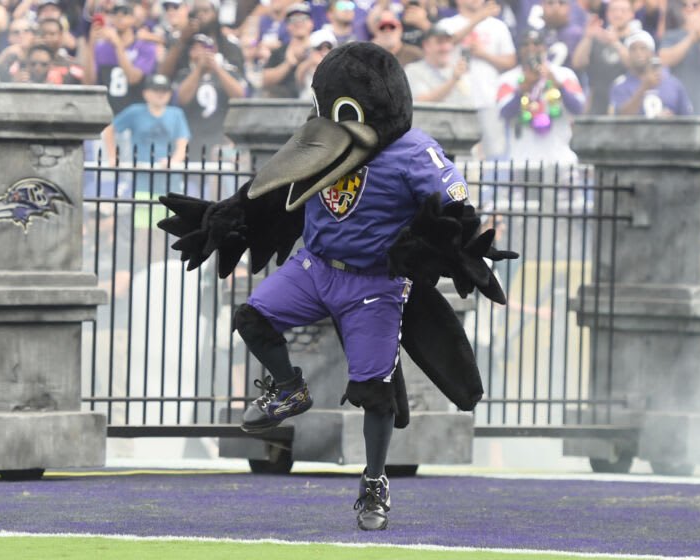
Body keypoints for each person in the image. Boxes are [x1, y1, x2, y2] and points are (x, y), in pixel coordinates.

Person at [160, 41, 514, 532]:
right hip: (316, 266)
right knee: (252, 317)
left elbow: (456, 207)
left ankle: (374, 481)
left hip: (375, 284)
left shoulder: (415, 151)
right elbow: (274, 187)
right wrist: (229, 215)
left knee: (374, 391)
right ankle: (288, 389)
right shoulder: (321, 138)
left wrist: (459, 241)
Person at [440, 0, 516, 159]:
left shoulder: (498, 26)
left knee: (495, 155)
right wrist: (477, 19)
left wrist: (484, 54)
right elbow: (445, 43)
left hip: (490, 99)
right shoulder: (447, 24)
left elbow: (510, 61)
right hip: (456, 102)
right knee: (460, 155)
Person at [497, 28, 585, 163]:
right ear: (519, 49)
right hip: (522, 160)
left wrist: (559, 86)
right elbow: (504, 114)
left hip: (560, 159)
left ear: (544, 47)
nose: (531, 48)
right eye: (525, 44)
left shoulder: (564, 75)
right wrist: (522, 91)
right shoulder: (508, 80)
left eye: (536, 44)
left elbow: (578, 109)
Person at [103, 73, 191, 189]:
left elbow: (183, 145)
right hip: (142, 177)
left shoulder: (177, 114)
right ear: (146, 93)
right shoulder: (135, 111)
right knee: (142, 206)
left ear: (170, 94)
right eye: (156, 90)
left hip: (169, 178)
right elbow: (109, 129)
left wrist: (173, 161)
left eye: (164, 90)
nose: (160, 94)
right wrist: (113, 156)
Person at [175, 33, 246, 159]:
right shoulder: (184, 74)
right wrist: (198, 70)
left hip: (221, 137)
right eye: (196, 48)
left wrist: (216, 68)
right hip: (193, 138)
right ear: (190, 52)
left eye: (205, 48)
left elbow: (239, 96)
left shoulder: (228, 72)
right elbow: (182, 99)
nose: (202, 52)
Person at [83, 0, 159, 114]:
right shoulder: (102, 48)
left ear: (133, 19)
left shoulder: (145, 47)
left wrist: (118, 45)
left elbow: (133, 79)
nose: (119, 17)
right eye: (115, 13)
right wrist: (91, 43)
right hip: (107, 112)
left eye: (125, 13)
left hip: (136, 112)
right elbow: (88, 83)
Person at [571, 0, 638, 115]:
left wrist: (615, 43)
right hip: (597, 105)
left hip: (627, 104)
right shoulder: (597, 38)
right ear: (607, 13)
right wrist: (587, 37)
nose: (618, 14)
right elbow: (577, 63)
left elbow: (635, 66)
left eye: (623, 10)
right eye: (614, 10)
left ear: (632, 14)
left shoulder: (637, 40)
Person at [609, 30, 693, 117]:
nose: (638, 53)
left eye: (643, 48)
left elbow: (687, 119)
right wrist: (644, 88)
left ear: (652, 53)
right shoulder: (620, 85)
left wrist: (672, 121)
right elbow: (620, 119)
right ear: (628, 54)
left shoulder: (673, 83)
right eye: (633, 49)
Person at [404, 24, 473, 105]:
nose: (445, 47)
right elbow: (421, 102)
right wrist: (453, 80)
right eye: (440, 42)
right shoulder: (413, 70)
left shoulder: (459, 70)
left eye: (448, 42)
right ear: (426, 45)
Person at [261, 1, 314, 98]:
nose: (299, 22)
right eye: (293, 19)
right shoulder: (279, 52)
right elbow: (265, 81)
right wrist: (288, 64)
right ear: (287, 26)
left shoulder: (321, 48)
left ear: (311, 23)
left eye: (304, 18)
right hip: (285, 106)